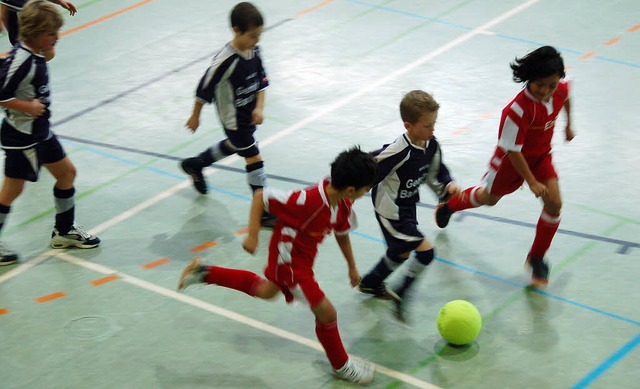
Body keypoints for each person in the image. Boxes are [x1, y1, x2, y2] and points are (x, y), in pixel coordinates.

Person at [178, 146, 378, 385]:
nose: (365, 193)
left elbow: (342, 233)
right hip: (290, 262)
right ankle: (342, 366)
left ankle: (204, 272)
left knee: (266, 291)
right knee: (327, 313)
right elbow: (261, 197)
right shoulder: (309, 201)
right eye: (366, 190)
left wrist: (351, 267)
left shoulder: (343, 203)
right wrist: (253, 235)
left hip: (302, 258)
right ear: (351, 189)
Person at [435, 45, 574, 287]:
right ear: (530, 79)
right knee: (488, 198)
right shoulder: (517, 110)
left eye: (551, 85)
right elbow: (513, 150)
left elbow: (566, 96)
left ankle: (537, 257)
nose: (546, 90)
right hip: (511, 163)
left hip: (541, 158)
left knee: (555, 204)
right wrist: (530, 181)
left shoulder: (559, 90)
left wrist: (568, 124)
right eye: (540, 84)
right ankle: (451, 205)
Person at [0, 0, 99, 266]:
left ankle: (64, 231)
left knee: (67, 174)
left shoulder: (36, 55)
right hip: (22, 136)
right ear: (35, 35)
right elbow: (1, 93)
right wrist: (27, 106)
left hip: (41, 131)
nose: (57, 37)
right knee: (11, 192)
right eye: (51, 34)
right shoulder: (21, 61)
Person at [357, 90, 459, 323]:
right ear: (409, 126)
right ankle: (402, 293)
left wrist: (448, 186)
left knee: (401, 252)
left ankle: (371, 283)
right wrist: (347, 188)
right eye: (426, 126)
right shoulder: (399, 150)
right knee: (426, 252)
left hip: (408, 205)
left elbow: (437, 171)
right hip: (390, 209)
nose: (432, 130)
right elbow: (372, 165)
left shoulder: (431, 145)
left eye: (434, 124)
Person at [180, 2, 275, 227]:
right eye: (253, 36)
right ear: (236, 30)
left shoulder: (254, 51)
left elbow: (262, 82)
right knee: (254, 158)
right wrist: (195, 116)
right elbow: (204, 88)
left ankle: (196, 164)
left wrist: (259, 108)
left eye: (260, 35)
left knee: (235, 145)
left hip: (249, 114)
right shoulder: (225, 61)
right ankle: (261, 212)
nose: (257, 40)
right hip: (234, 120)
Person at [1, 0, 76, 61]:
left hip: (27, 29)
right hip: (22, 33)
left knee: (48, 54)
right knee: (47, 54)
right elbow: (4, 16)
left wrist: (60, 2)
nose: (57, 37)